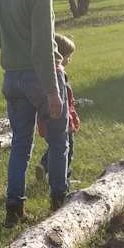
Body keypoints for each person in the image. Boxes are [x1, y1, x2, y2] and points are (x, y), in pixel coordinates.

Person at [0, 0, 69, 227]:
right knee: (59, 140)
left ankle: (14, 209)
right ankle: (59, 201)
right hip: (40, 77)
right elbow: (41, 48)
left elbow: (1, 37)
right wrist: (53, 92)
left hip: (11, 78)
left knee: (21, 145)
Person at [36, 33, 80, 183]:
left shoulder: (46, 74)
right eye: (68, 56)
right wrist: (72, 119)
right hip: (63, 120)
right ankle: (64, 179)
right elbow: (67, 102)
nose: (70, 59)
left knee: (55, 145)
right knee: (66, 149)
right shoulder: (61, 76)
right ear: (59, 55)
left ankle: (43, 165)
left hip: (48, 119)